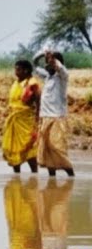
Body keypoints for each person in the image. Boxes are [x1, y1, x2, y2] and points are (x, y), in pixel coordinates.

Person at [34, 49, 75, 178]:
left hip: (57, 117)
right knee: (46, 148)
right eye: (46, 62)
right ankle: (52, 179)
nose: (47, 65)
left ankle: (70, 174)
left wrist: (54, 60)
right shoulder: (47, 76)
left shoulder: (62, 77)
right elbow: (35, 64)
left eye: (50, 63)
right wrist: (43, 54)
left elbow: (61, 69)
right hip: (45, 117)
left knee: (56, 147)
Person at [1, 59, 41, 173]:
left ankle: (34, 174)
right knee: (13, 146)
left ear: (26, 70)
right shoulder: (16, 83)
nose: (16, 72)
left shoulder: (32, 83)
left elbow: (39, 101)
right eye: (15, 69)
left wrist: (38, 117)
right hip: (14, 119)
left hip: (26, 120)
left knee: (29, 147)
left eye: (18, 69)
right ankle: (16, 175)